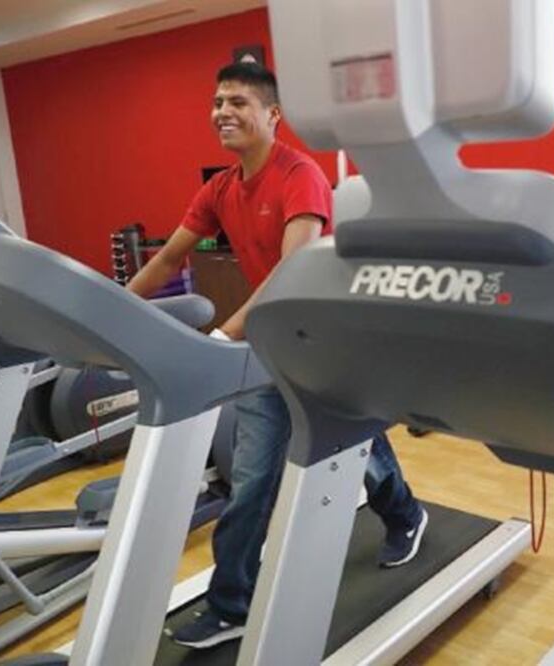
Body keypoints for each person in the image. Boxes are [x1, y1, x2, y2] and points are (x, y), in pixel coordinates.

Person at [126, 61, 428, 649]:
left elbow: (292, 270)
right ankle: (232, 603)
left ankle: (405, 514)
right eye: (217, 102)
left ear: (273, 115)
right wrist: (114, 309)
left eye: (237, 102)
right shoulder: (220, 188)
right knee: (252, 478)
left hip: (326, 344)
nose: (222, 112)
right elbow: (167, 258)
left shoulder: (301, 175)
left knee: (360, 455)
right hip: (270, 343)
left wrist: (224, 335)